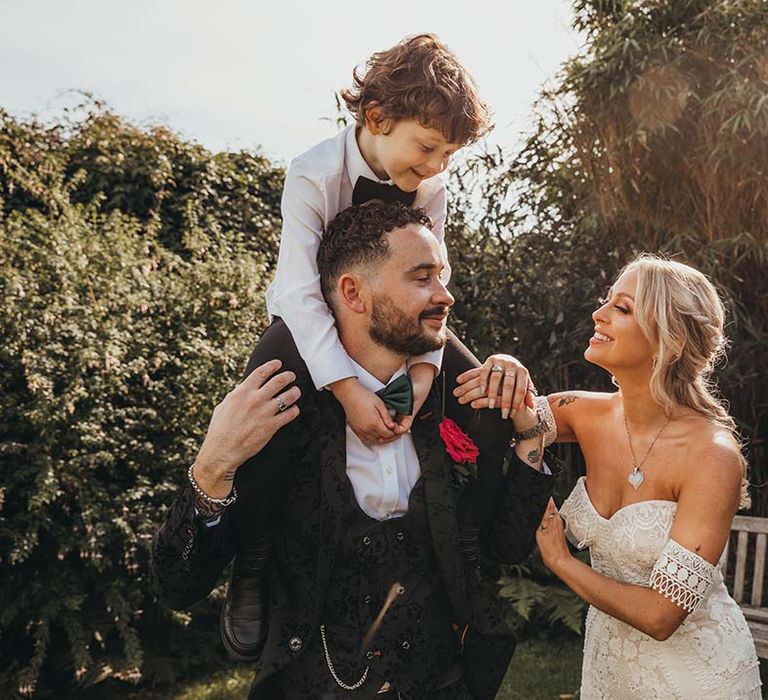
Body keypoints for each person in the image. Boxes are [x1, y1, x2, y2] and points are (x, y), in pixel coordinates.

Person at [151, 202, 555, 699]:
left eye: (441, 276)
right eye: (422, 277)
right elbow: (176, 586)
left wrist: (532, 435)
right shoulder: (282, 408)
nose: (445, 295)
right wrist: (212, 464)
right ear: (353, 293)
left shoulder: (451, 399)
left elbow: (506, 546)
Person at [224, 32, 509, 661]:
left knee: (483, 400)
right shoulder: (313, 173)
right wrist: (348, 390)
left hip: (397, 314)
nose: (437, 166)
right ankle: (251, 560)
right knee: (263, 395)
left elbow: (437, 283)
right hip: (309, 319)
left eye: (449, 154)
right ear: (376, 119)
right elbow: (299, 293)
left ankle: (469, 559)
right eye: (428, 147)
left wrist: (428, 371)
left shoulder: (429, 187)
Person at [455, 254, 762, 699]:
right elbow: (508, 412)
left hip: (697, 677)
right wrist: (506, 362)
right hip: (608, 668)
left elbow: (662, 615)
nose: (598, 314)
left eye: (622, 308)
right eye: (607, 301)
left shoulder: (712, 456)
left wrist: (561, 561)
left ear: (669, 339)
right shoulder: (581, 413)